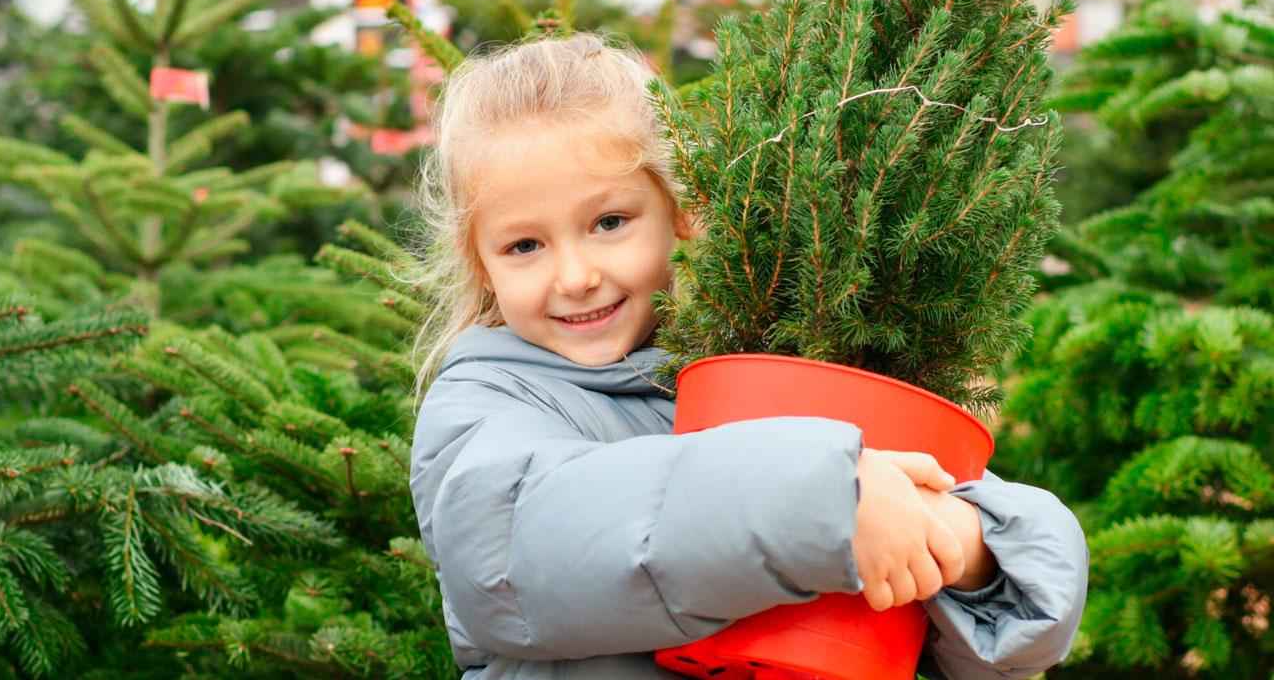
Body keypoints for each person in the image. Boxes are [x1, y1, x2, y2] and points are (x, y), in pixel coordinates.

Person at [406, 33, 1088, 679]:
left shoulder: (756, 361)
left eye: (609, 223)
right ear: (482, 266)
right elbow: (519, 553)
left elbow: (1039, 595)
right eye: (525, 246)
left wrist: (963, 546)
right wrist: (823, 500)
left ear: (681, 213)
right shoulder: (487, 404)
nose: (575, 275)